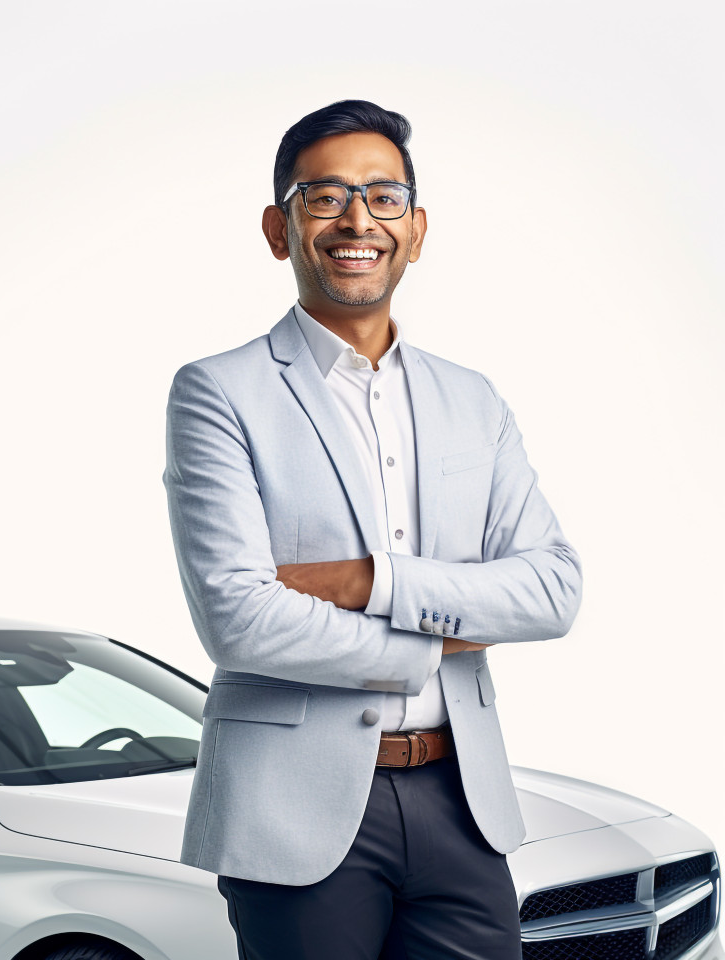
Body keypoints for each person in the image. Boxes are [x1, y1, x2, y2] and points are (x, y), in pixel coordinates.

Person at [162, 99, 582, 960]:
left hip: (462, 800)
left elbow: (552, 588)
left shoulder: (474, 398)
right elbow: (237, 618)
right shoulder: (218, 392)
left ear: (417, 229)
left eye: (384, 197)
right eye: (324, 197)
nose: (359, 219)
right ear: (280, 230)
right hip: (294, 809)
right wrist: (440, 637)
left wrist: (369, 583)